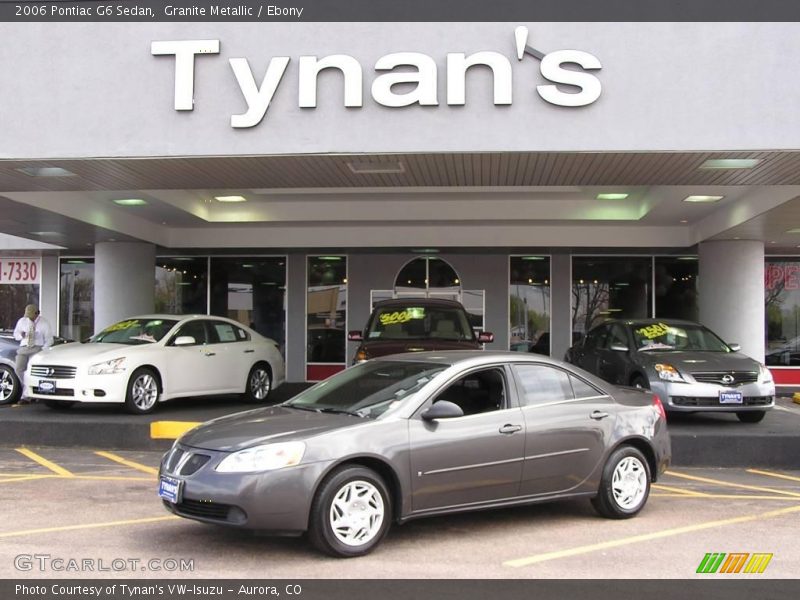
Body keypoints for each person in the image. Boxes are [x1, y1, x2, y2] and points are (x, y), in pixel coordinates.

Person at [13, 304, 54, 385]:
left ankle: (34, 386)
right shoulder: (22, 321)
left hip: (37, 348)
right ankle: (26, 385)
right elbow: (15, 335)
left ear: (37, 313)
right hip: (24, 348)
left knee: (33, 370)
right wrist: (21, 335)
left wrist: (43, 350)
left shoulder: (44, 323)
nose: (30, 318)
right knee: (18, 368)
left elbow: (49, 339)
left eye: (31, 315)